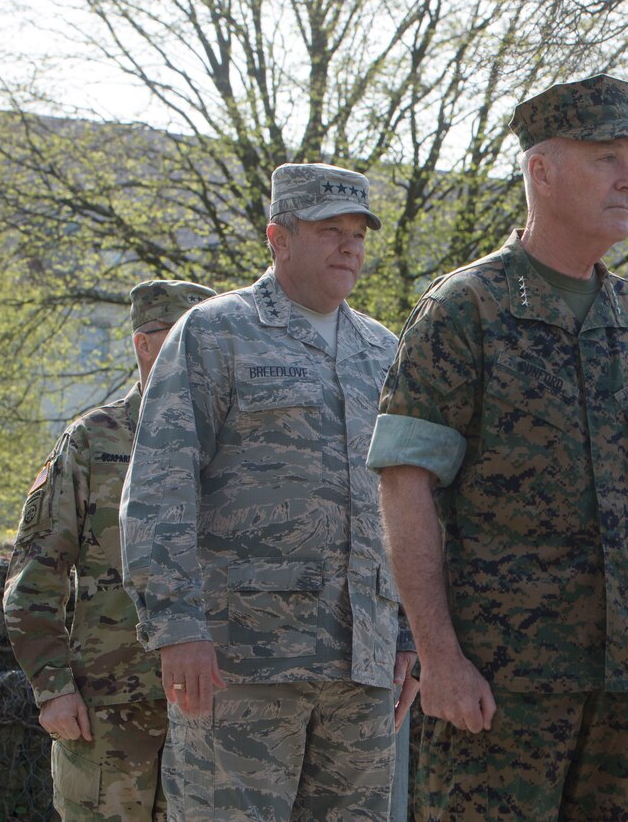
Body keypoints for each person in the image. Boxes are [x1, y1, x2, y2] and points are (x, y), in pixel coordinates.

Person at [368, 73, 628, 821]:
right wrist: (440, 657)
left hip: (626, 680)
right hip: (500, 684)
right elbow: (404, 486)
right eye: (606, 157)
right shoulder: (466, 310)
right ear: (540, 171)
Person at [119, 163, 415, 821]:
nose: (349, 246)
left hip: (361, 667)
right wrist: (176, 627)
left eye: (358, 233)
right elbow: (159, 488)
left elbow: (412, 507)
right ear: (278, 238)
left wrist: (411, 638)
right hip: (238, 663)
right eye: (329, 230)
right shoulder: (214, 332)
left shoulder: (384, 352)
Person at [3, 278, 215, 821]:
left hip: (210, 707)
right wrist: (52, 688)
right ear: (144, 344)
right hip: (106, 712)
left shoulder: (230, 442)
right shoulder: (94, 441)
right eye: (180, 339)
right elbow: (35, 574)